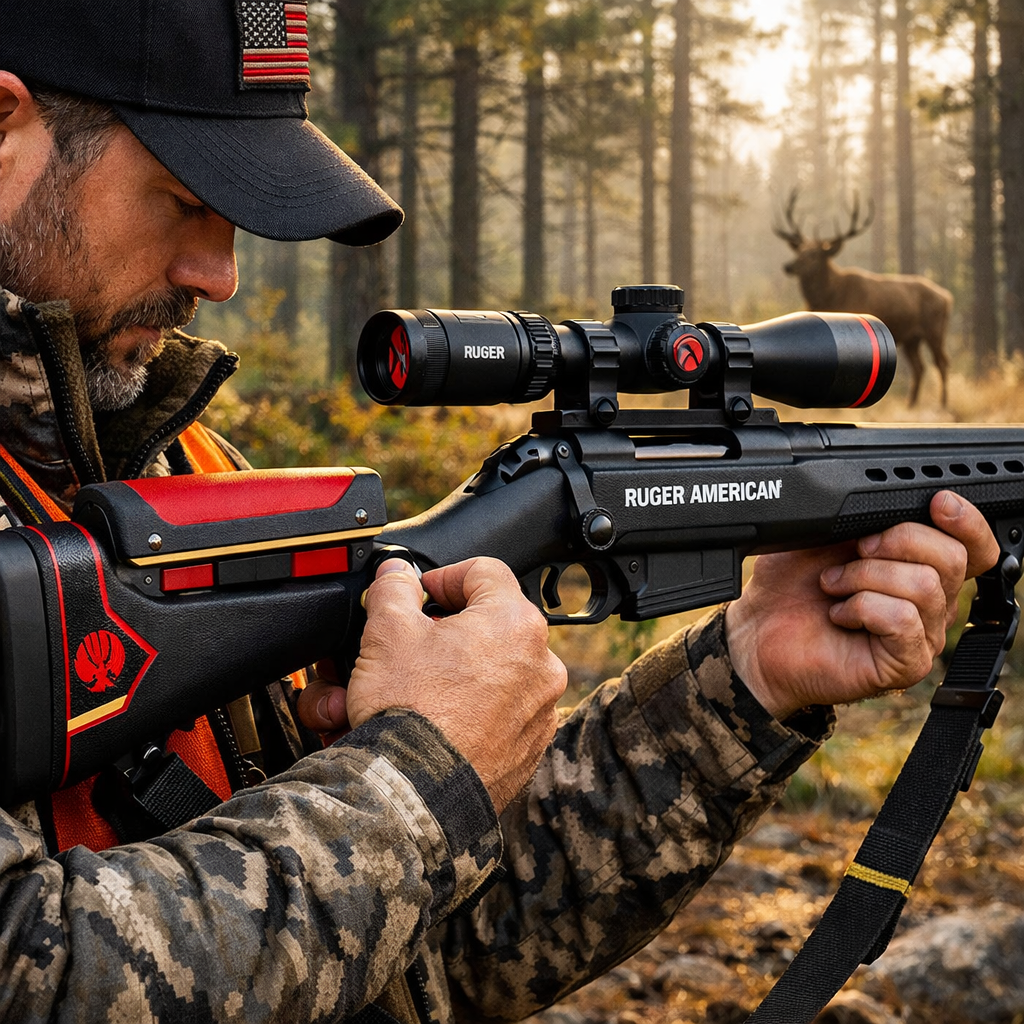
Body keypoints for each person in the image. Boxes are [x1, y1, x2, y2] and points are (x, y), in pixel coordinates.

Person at [0, 3, 999, 1022]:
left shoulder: (184, 475)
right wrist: (411, 786)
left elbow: (404, 969)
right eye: (183, 200)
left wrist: (743, 679)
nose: (221, 273)